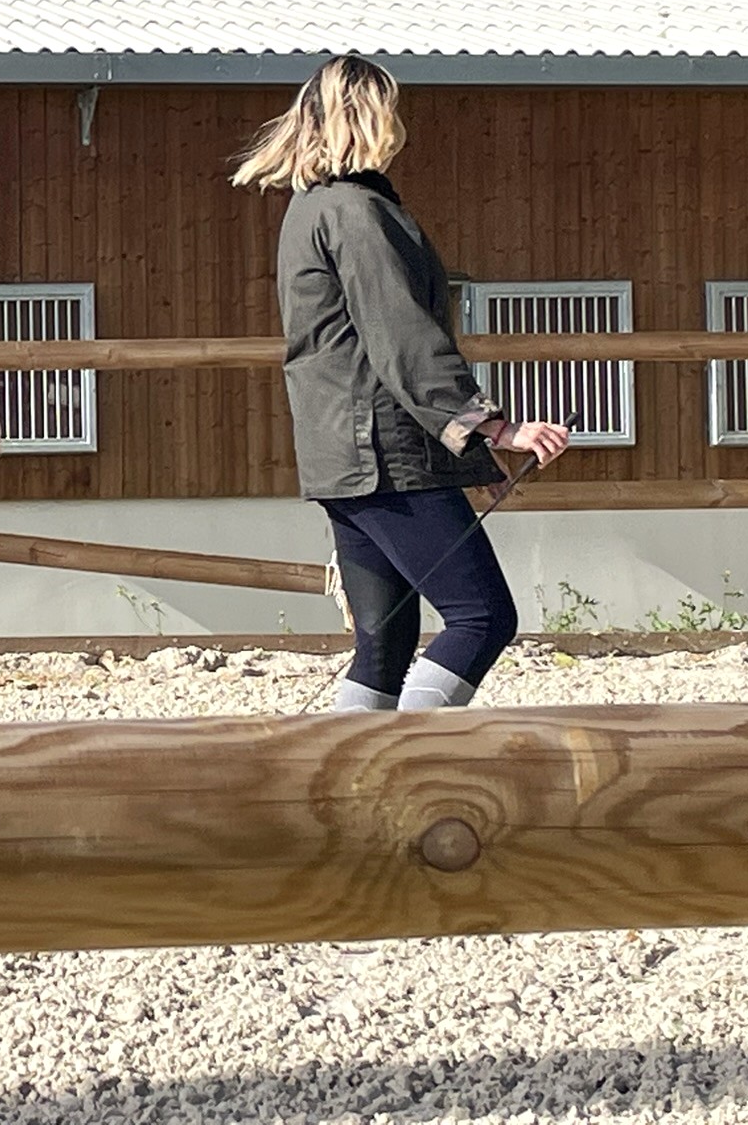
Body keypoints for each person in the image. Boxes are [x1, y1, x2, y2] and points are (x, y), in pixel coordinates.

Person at [232, 54, 571, 711]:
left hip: (343, 458)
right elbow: (404, 338)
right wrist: (496, 428)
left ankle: (350, 769)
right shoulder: (359, 213)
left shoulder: (310, 209)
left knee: (385, 643)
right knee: (481, 617)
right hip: (386, 456)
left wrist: (470, 455)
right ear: (369, 117)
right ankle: (418, 757)